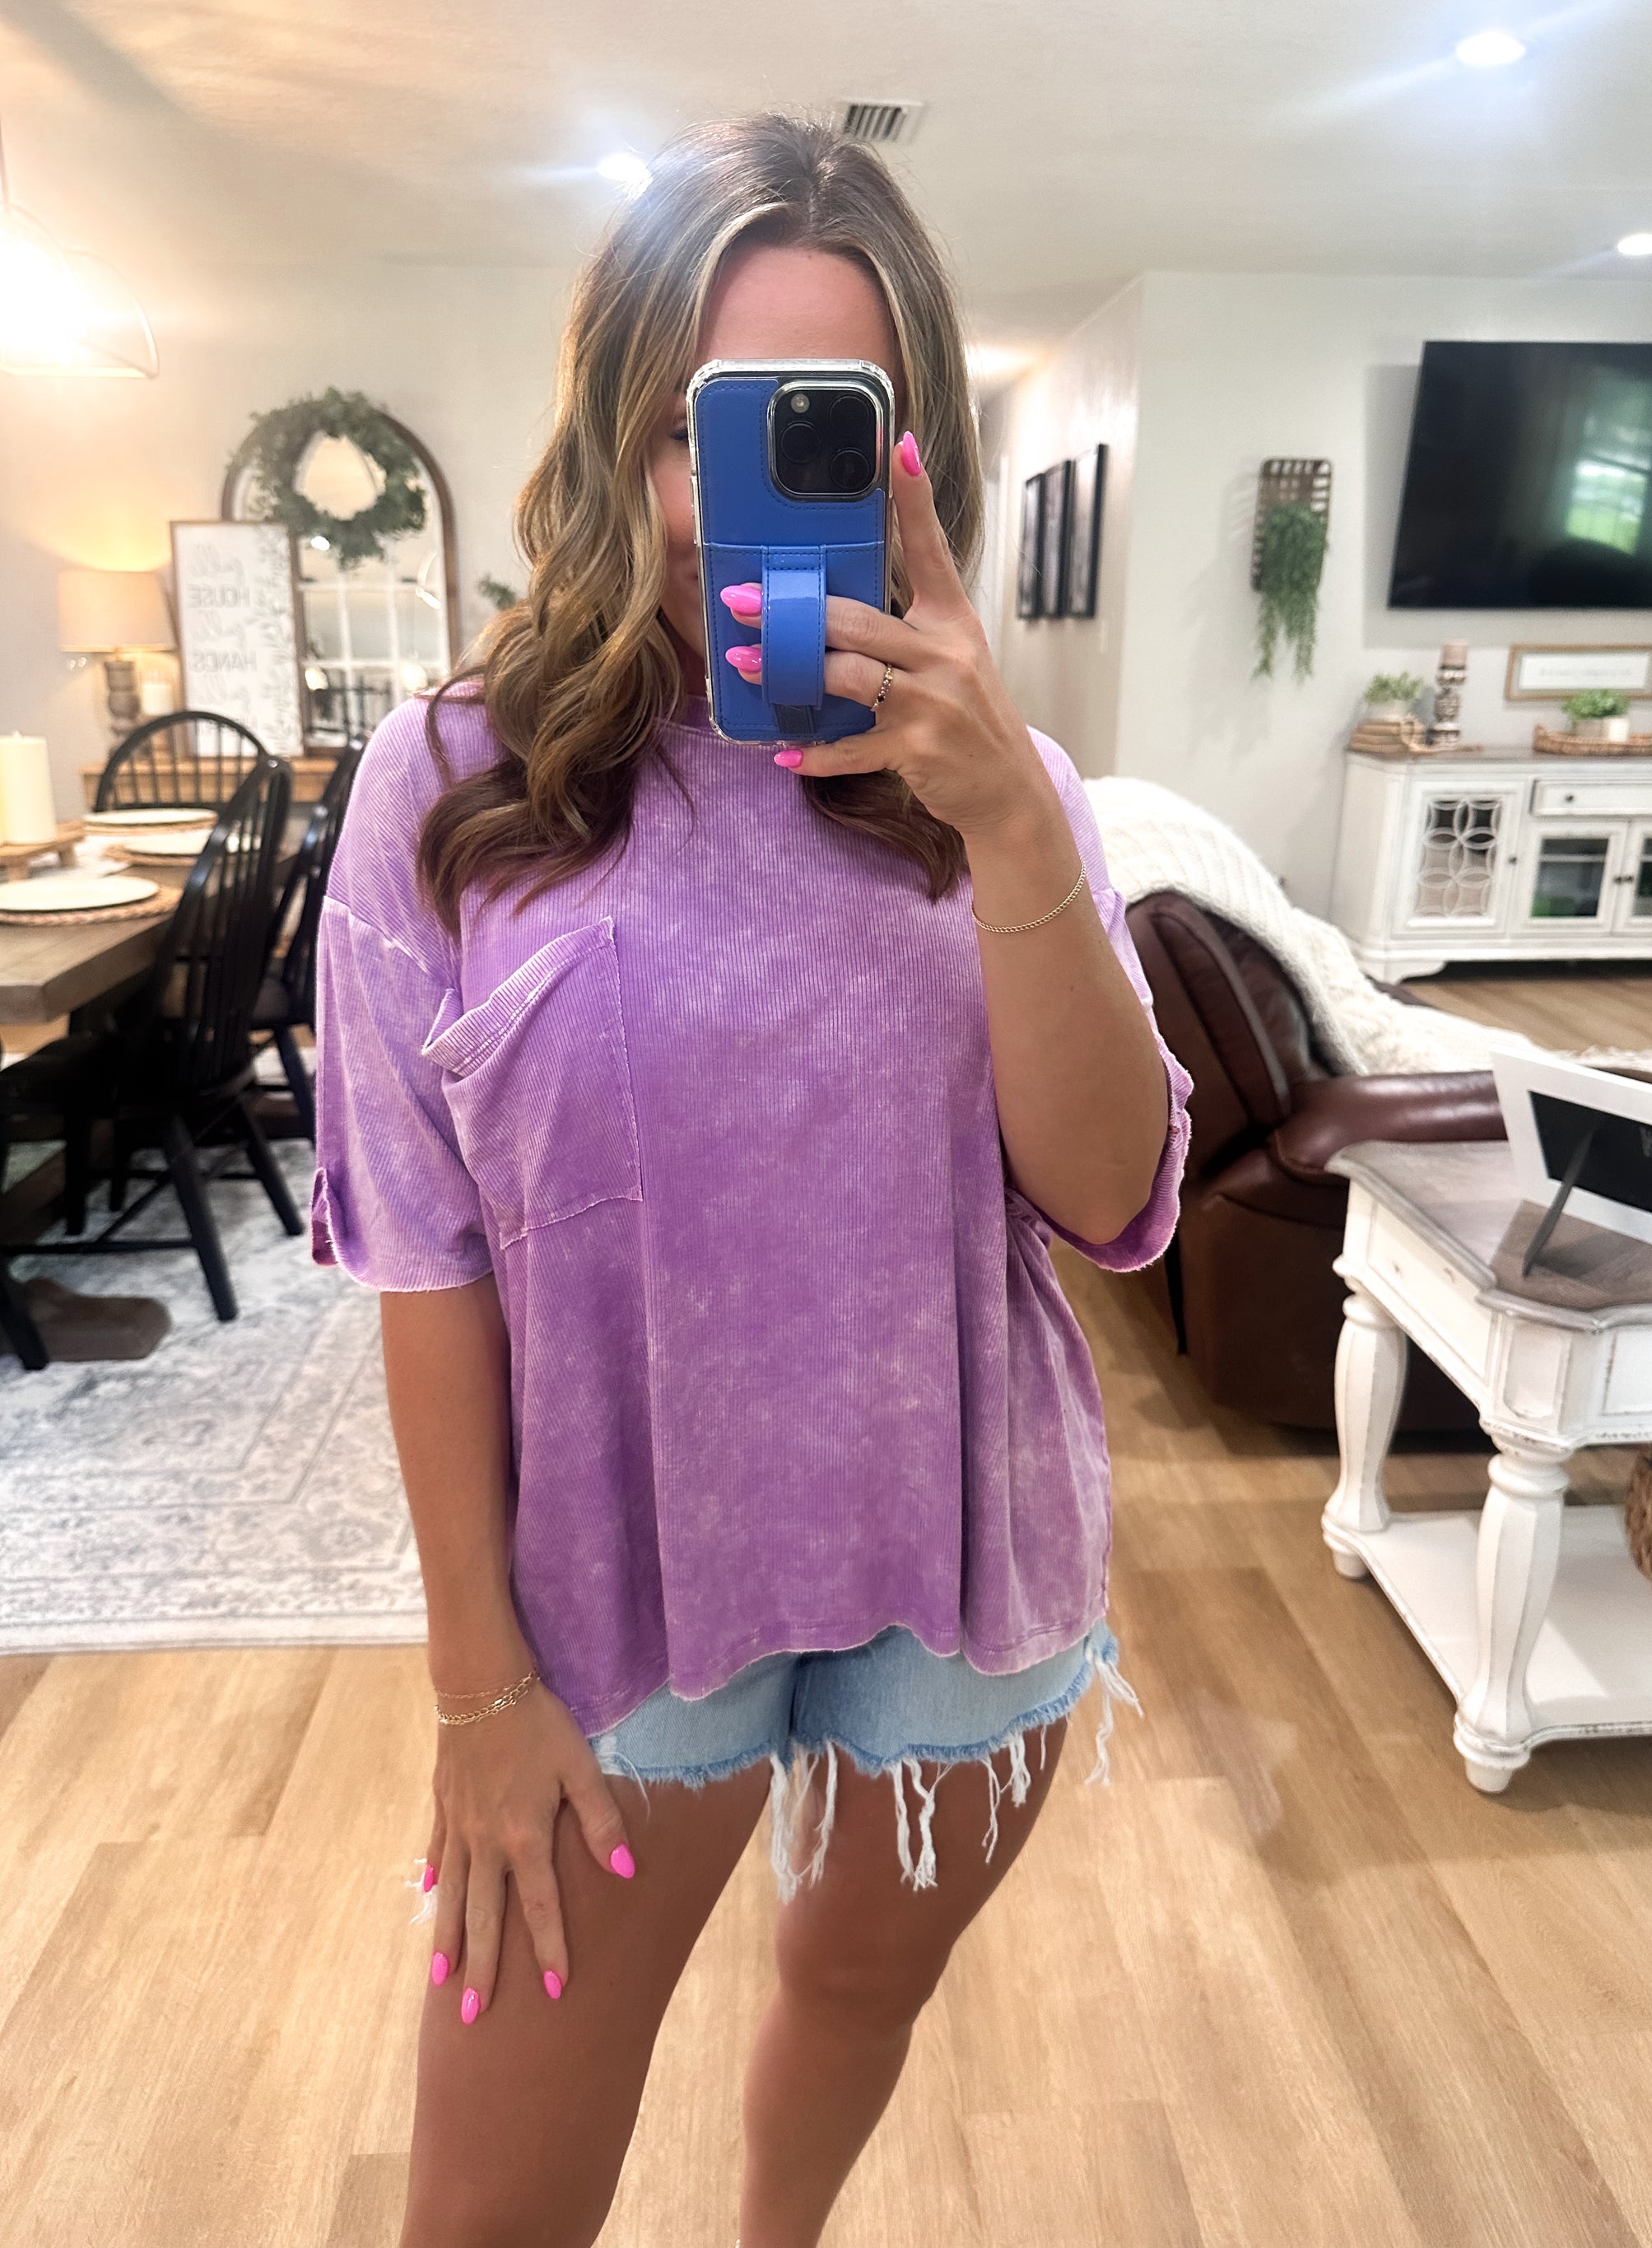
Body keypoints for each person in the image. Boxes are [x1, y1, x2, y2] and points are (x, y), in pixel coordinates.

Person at [309, 111, 1191, 2248]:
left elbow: (1112, 1197)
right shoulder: (455, 783)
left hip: (953, 1549)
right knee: (490, 2206)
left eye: (824, 425)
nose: (736, 505)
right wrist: (474, 1684)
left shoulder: (1009, 785)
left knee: (860, 1986)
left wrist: (1008, 824)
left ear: (909, 456)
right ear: (621, 434)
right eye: (700, 428)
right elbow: (425, 1261)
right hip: (613, 1584)